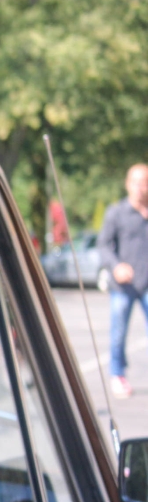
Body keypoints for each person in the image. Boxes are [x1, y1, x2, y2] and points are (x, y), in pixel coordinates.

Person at [98, 163, 148, 398]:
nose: (140, 187)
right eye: (135, 182)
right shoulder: (117, 212)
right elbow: (103, 246)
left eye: (144, 182)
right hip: (124, 286)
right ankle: (117, 375)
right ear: (128, 185)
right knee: (118, 333)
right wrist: (116, 266)